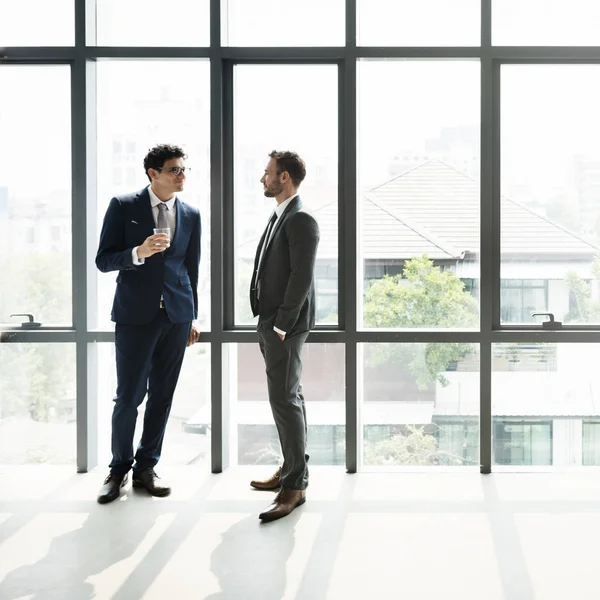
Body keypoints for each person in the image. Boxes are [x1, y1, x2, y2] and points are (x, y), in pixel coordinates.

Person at [95, 143, 201, 504]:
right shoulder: (123, 207)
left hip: (176, 316)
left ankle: (146, 468)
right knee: (128, 397)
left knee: (162, 396)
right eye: (175, 169)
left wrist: (191, 317)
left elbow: (192, 269)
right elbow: (103, 260)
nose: (182, 175)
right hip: (135, 317)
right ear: (153, 174)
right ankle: (118, 469)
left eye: (184, 168)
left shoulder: (191, 214)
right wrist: (138, 253)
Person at [249, 150, 320, 522]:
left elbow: (301, 277)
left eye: (268, 173)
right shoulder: (280, 216)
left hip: (284, 327)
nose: (263, 178)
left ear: (285, 178)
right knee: (291, 397)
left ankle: (295, 486)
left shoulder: (301, 219)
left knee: (284, 399)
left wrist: (281, 324)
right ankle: (294, 468)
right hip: (272, 322)